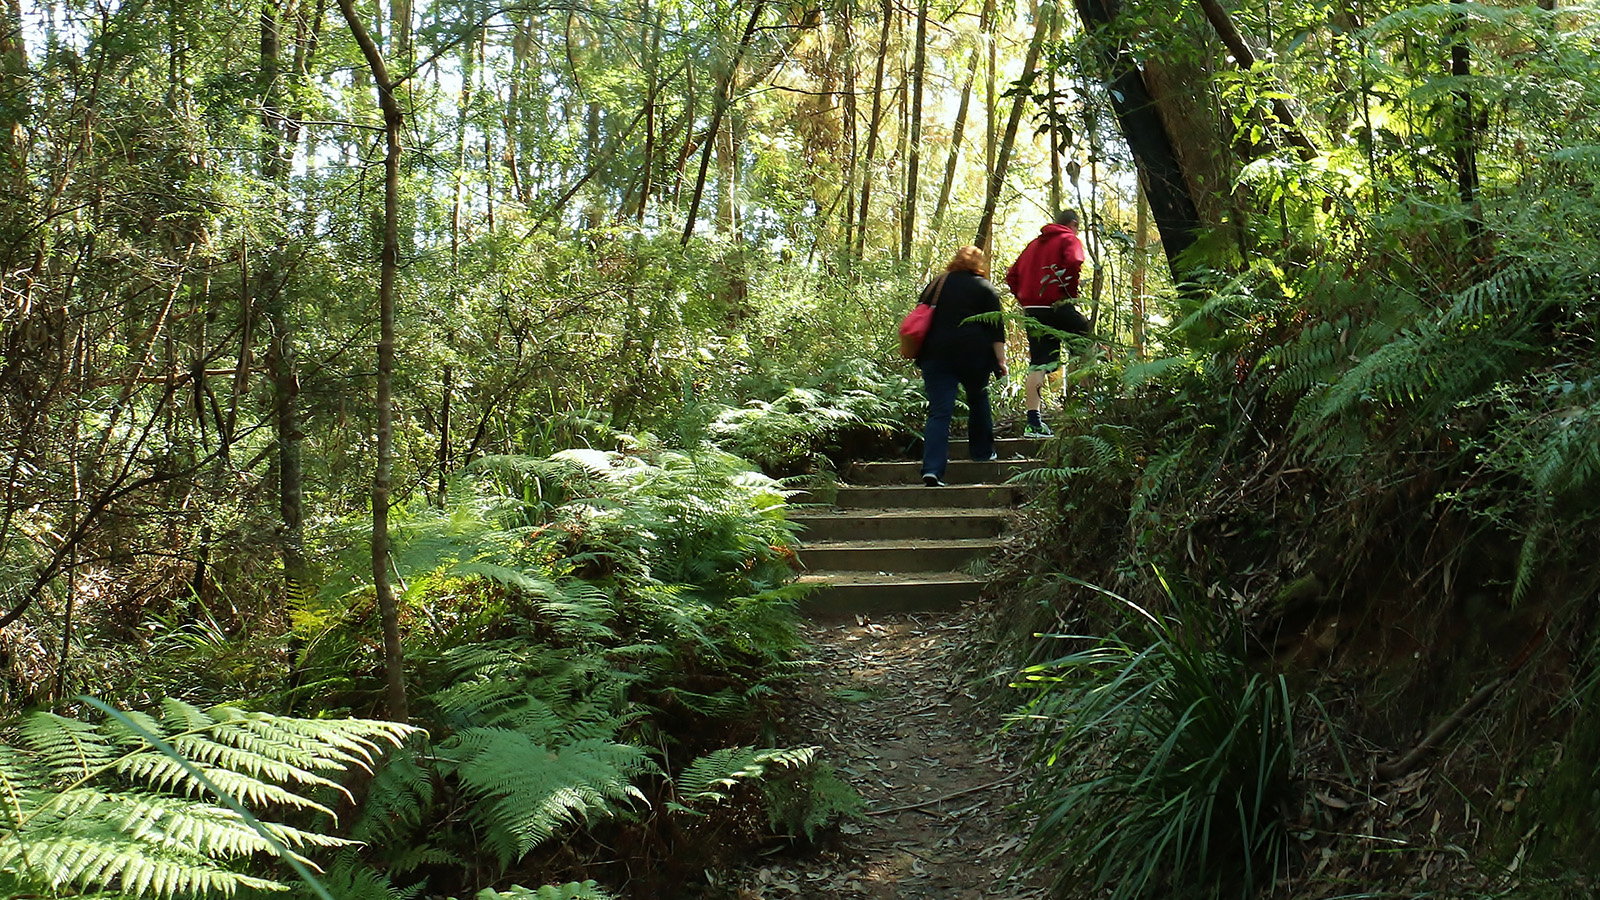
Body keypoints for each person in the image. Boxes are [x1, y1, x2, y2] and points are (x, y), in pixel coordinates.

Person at [916, 245, 1008, 487]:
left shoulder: (937, 284)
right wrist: (1000, 360)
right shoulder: (985, 287)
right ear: (980, 264)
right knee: (978, 401)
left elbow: (920, 314)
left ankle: (933, 469)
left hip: (935, 355)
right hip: (974, 356)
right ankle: (982, 454)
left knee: (939, 412)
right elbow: (996, 330)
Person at [1004, 208, 1091, 437]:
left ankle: (1033, 423)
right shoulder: (1068, 239)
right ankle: (1089, 405)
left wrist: (1025, 297)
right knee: (1086, 342)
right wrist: (1069, 292)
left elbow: (1011, 275)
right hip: (1058, 304)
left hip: (1033, 310)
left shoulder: (1034, 245)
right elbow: (1074, 261)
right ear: (1072, 224)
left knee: (1039, 363)